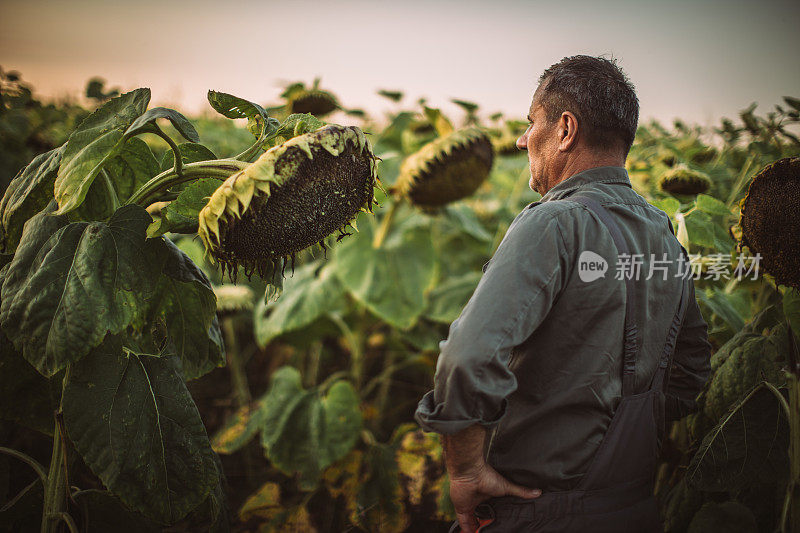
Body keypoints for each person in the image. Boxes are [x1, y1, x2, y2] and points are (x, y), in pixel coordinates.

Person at [414, 55, 712, 532]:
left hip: (536, 510)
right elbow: (690, 374)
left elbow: (467, 358)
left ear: (565, 129)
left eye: (531, 123)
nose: (521, 139)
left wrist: (466, 469)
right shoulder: (664, 237)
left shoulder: (554, 222)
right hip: (633, 510)